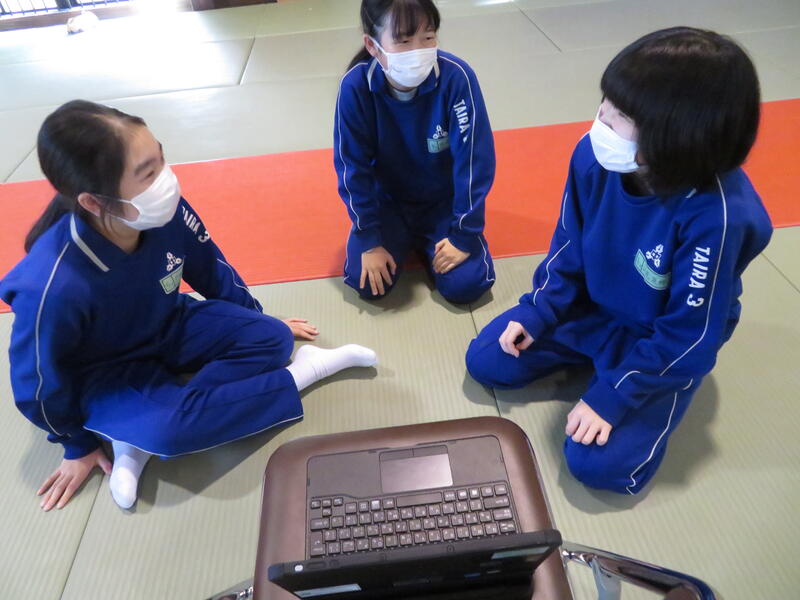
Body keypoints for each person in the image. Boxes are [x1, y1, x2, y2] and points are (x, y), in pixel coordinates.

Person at [0, 101, 377, 511]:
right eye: (148, 173)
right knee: (170, 430)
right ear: (94, 202)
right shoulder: (52, 285)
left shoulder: (162, 210)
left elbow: (210, 267)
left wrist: (256, 318)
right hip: (105, 373)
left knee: (272, 338)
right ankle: (304, 373)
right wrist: (76, 445)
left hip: (167, 323)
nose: (166, 179)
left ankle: (136, 433)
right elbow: (36, 381)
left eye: (161, 159)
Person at [465, 28, 772, 494]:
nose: (601, 118)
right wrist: (538, 311)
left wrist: (614, 395)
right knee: (489, 359)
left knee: (596, 466)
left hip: (659, 339)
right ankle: (602, 359)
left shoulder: (716, 215)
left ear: (679, 135)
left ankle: (647, 381)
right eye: (606, 101)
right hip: (594, 307)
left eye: (622, 114)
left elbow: (689, 334)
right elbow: (567, 246)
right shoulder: (594, 156)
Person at [334, 0, 496, 304]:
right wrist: (369, 239)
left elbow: (475, 160)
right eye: (404, 41)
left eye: (428, 37)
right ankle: (402, 239)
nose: (418, 50)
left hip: (442, 203)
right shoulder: (355, 86)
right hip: (388, 203)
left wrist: (464, 234)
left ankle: (429, 241)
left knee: (467, 285)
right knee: (367, 283)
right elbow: (351, 167)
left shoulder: (456, 77)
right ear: (372, 45)